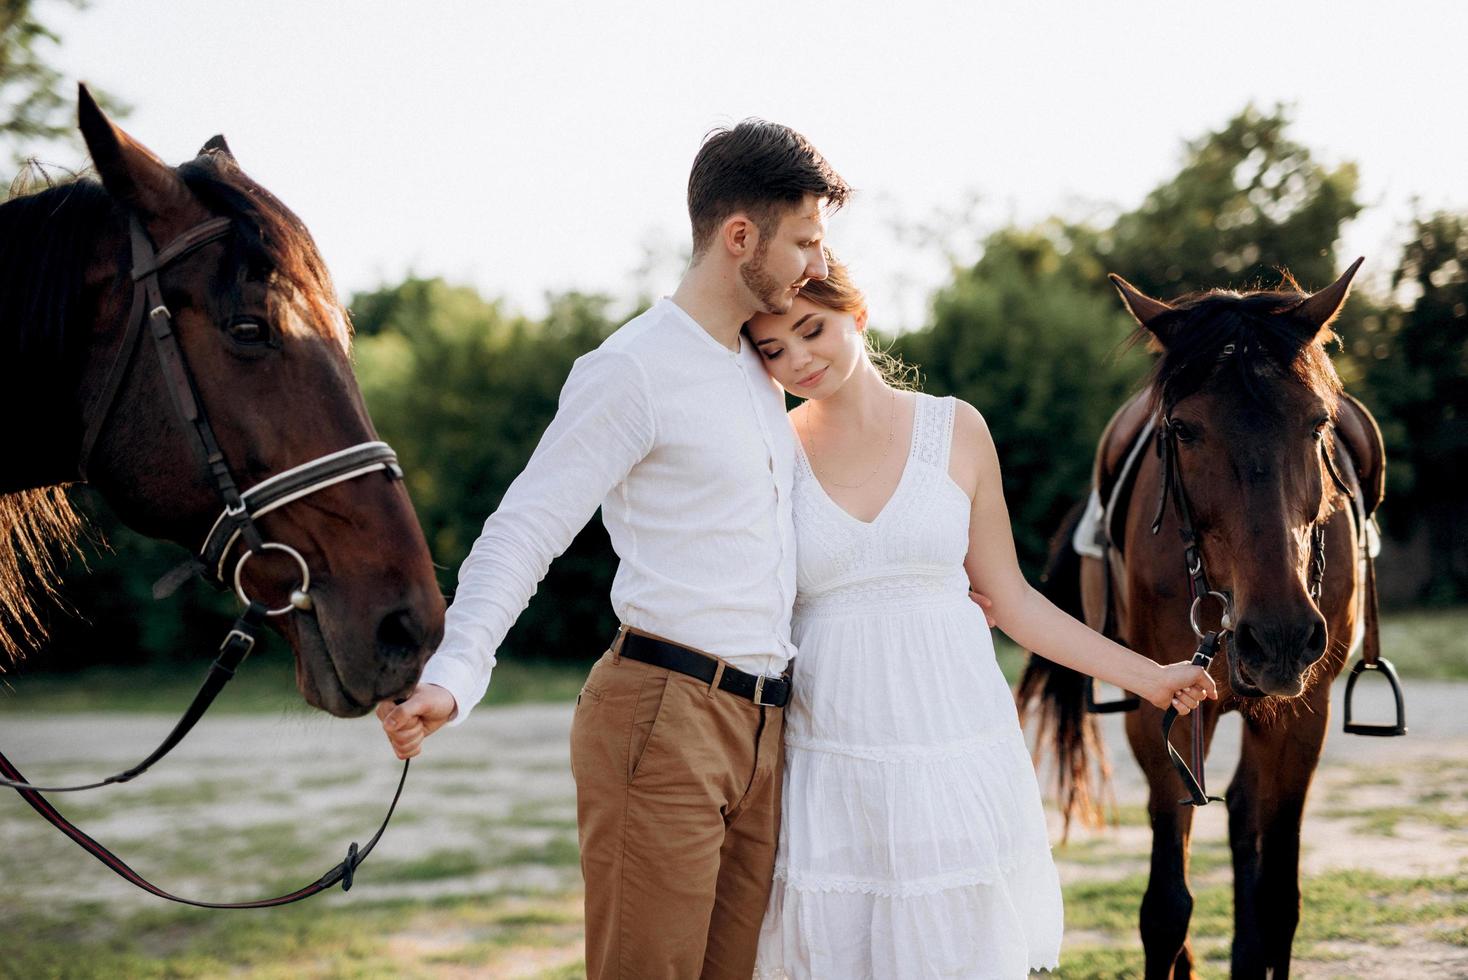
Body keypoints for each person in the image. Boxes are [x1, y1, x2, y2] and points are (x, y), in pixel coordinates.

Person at [377, 120, 849, 980]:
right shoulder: (630, 368)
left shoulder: (756, 367)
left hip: (763, 724)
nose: (816, 265)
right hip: (664, 715)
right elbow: (526, 525)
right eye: (806, 241)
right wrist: (454, 672)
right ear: (741, 237)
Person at [743, 253, 1217, 979]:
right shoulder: (770, 451)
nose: (798, 359)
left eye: (812, 330)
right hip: (829, 750)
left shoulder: (955, 430)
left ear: (857, 314)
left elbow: (1015, 601)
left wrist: (1149, 676)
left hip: (952, 739)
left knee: (956, 947)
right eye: (774, 349)